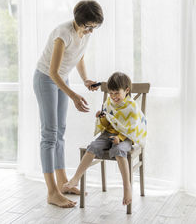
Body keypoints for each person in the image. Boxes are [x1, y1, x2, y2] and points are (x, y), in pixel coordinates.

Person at [33, 0, 104, 208]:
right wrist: (73, 96)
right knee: (49, 134)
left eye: (94, 27)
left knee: (60, 132)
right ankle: (52, 192)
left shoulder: (83, 34)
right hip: (46, 78)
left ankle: (63, 183)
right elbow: (53, 72)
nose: (91, 31)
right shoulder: (62, 33)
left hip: (61, 79)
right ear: (79, 21)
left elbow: (79, 56)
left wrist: (85, 80)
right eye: (89, 26)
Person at [63, 72, 147, 206]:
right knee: (92, 147)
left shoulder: (132, 107)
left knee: (119, 150)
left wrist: (119, 138)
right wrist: (101, 117)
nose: (113, 97)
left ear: (126, 90)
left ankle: (127, 187)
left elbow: (132, 128)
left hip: (125, 137)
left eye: (116, 93)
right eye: (111, 93)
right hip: (108, 134)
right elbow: (106, 125)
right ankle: (76, 178)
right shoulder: (109, 102)